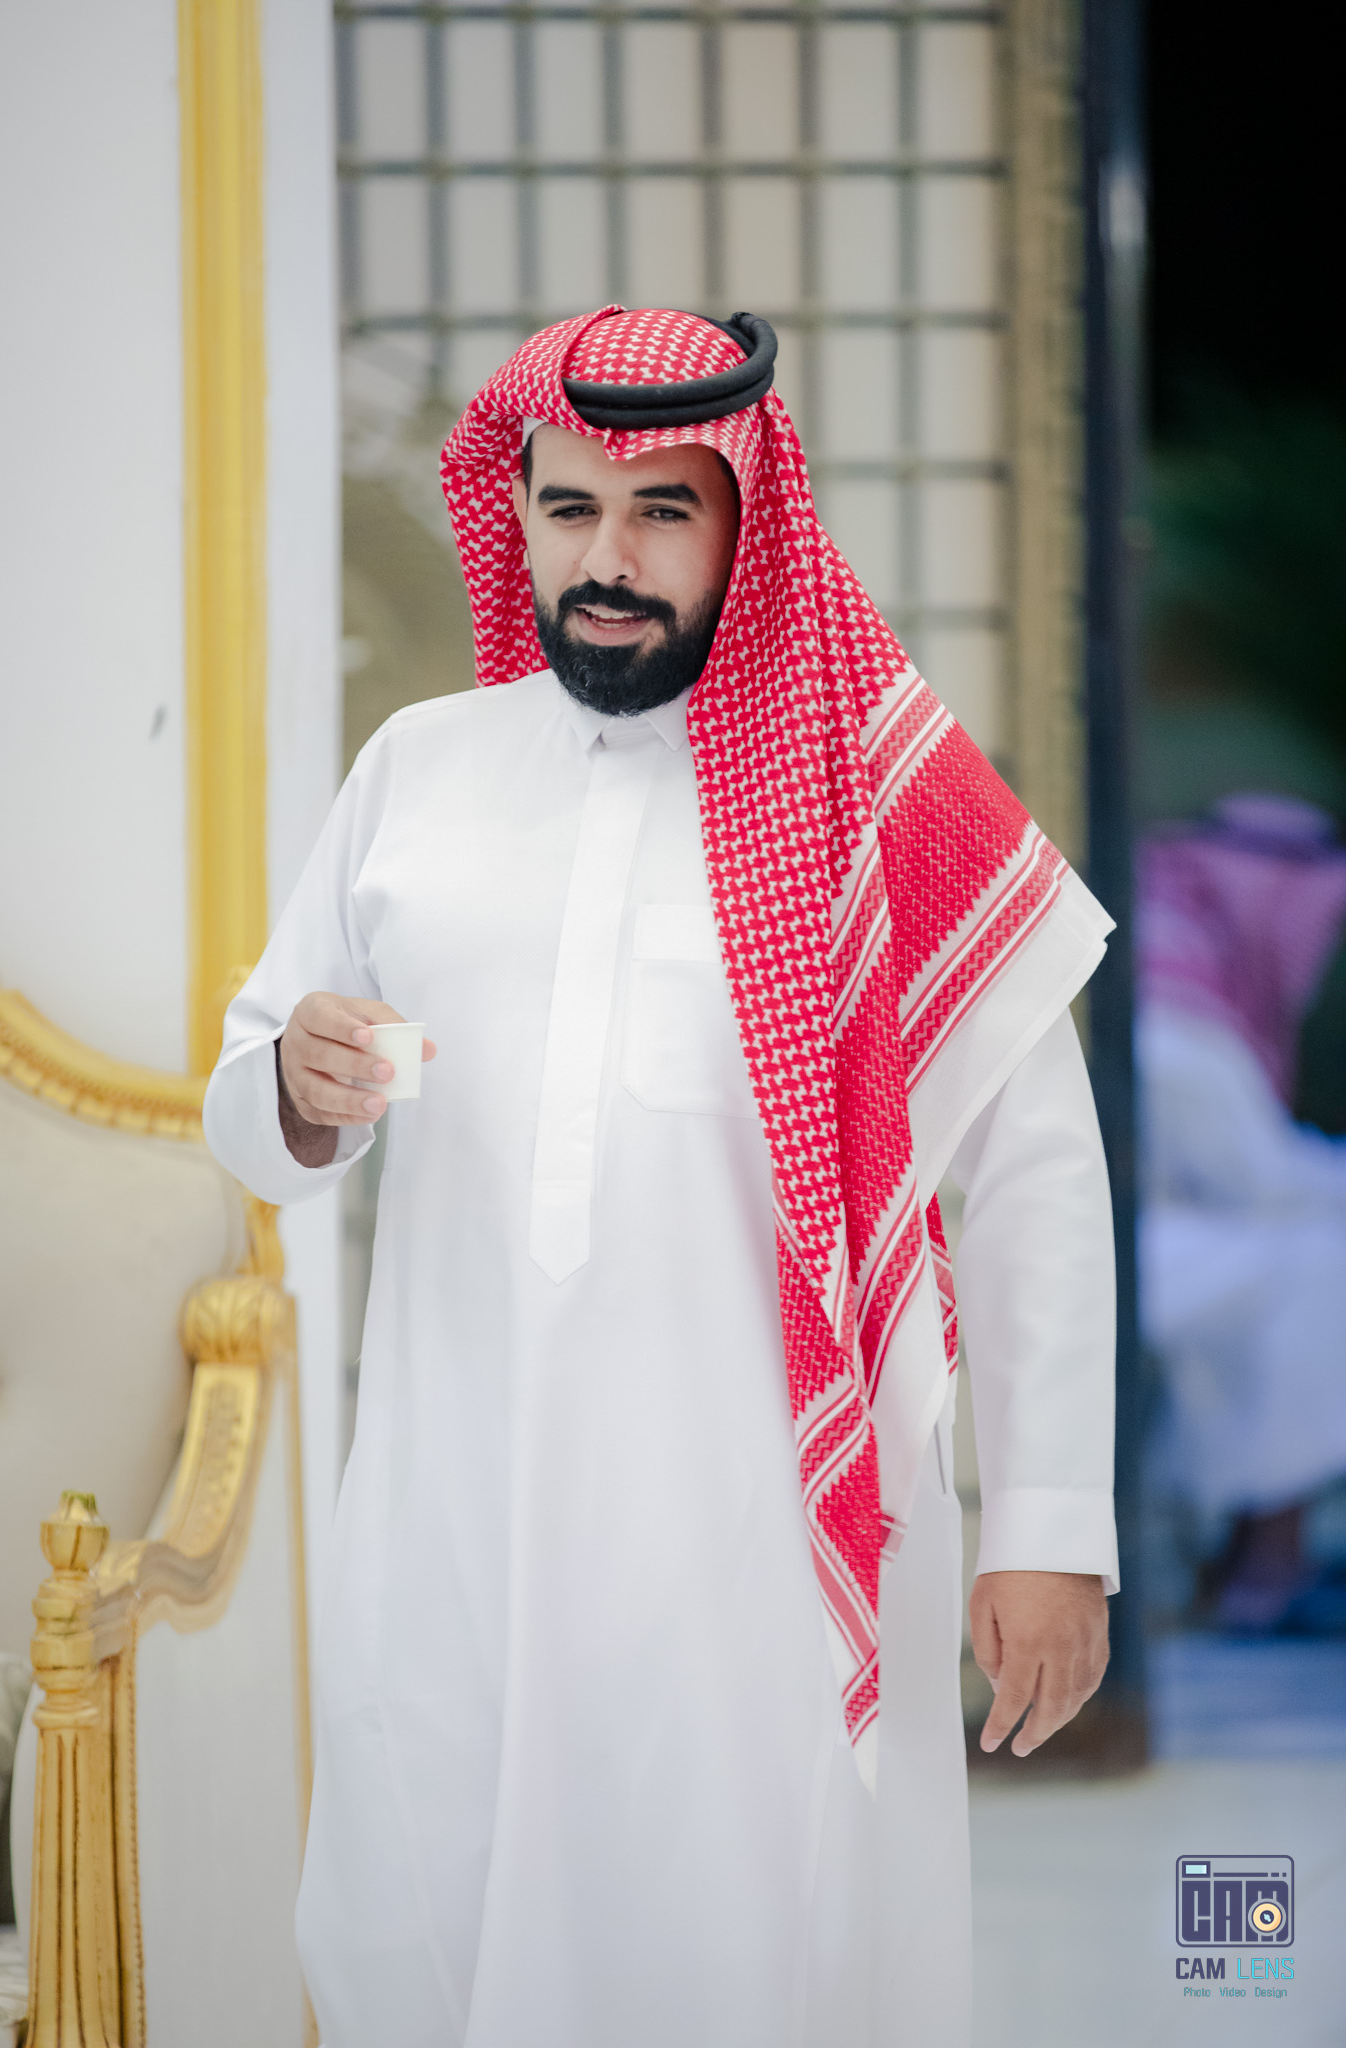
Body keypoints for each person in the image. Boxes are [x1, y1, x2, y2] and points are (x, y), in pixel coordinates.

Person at [205, 307, 1118, 2048]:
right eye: (569, 510)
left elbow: (1033, 1176)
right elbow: (254, 1110)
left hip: (761, 1534)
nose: (606, 561)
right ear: (520, 515)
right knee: (433, 1927)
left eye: (661, 513)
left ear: (747, 522)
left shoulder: (881, 797)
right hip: (459, 1510)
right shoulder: (419, 772)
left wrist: (1051, 1525)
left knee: (753, 1954)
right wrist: (296, 1090)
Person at [1138, 793, 1346, 1632]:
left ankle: (1245, 1557)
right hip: (1118, 1252)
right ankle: (1267, 1563)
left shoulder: (1183, 973)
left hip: (1152, 1238)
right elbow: (1255, 1180)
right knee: (1320, 1266)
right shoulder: (1176, 1013)